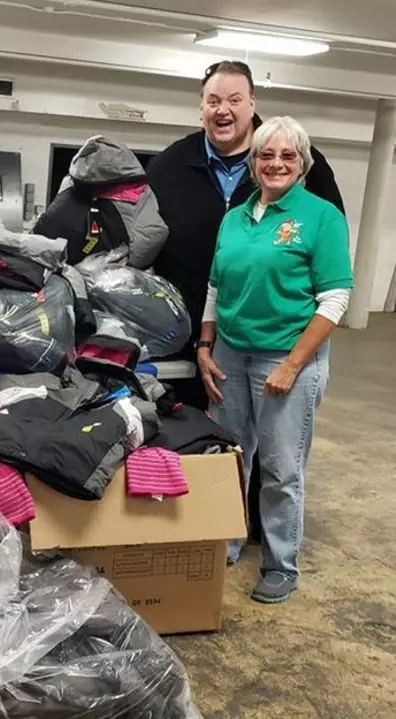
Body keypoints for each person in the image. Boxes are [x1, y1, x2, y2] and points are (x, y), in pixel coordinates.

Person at [196, 116, 353, 604]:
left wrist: (292, 365)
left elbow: (335, 299)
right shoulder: (235, 217)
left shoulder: (321, 216)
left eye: (287, 155)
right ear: (254, 163)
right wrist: (204, 346)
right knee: (227, 458)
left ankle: (281, 563)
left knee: (282, 468)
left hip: (287, 356)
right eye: (266, 155)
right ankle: (224, 541)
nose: (276, 163)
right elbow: (215, 289)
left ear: (302, 164)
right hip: (229, 354)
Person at [148, 60, 345, 411]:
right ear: (201, 109)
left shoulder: (301, 165)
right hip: (188, 340)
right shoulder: (168, 166)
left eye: (235, 100)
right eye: (213, 101)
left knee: (274, 459)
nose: (223, 110)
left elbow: (332, 266)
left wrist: (297, 359)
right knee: (200, 448)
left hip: (279, 347)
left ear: (253, 104)